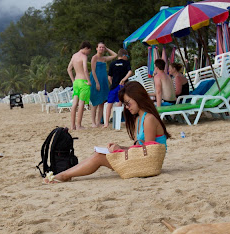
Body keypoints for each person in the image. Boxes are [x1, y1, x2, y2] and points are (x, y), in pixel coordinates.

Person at [43, 81, 171, 184]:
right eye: (125, 104)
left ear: (138, 98)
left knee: (99, 157)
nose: (127, 107)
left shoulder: (148, 119)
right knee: (99, 154)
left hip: (148, 165)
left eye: (128, 103)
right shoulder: (139, 118)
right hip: (142, 162)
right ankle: (66, 174)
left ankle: (64, 175)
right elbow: (140, 148)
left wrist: (121, 150)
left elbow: (148, 151)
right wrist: (121, 148)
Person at [89, 42, 118, 127]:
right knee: (95, 102)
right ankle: (93, 122)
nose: (101, 49)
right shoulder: (94, 57)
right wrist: (97, 83)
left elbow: (115, 55)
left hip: (104, 81)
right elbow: (93, 71)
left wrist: (107, 49)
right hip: (96, 81)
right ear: (96, 48)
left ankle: (98, 122)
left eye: (103, 47)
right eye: (100, 47)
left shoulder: (104, 58)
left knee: (102, 102)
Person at [104, 49, 132, 129]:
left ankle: (106, 123)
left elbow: (109, 77)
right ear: (124, 56)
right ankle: (117, 121)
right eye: (127, 56)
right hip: (122, 86)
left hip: (114, 86)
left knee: (109, 104)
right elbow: (130, 72)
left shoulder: (112, 64)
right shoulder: (126, 63)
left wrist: (112, 83)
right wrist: (124, 79)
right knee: (119, 102)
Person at [67, 41, 92, 130]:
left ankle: (72, 125)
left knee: (74, 104)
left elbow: (69, 69)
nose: (88, 53)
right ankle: (78, 125)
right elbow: (85, 69)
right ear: (86, 48)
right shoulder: (83, 56)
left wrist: (73, 80)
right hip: (83, 82)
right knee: (81, 103)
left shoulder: (74, 56)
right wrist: (89, 81)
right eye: (89, 51)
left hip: (76, 81)